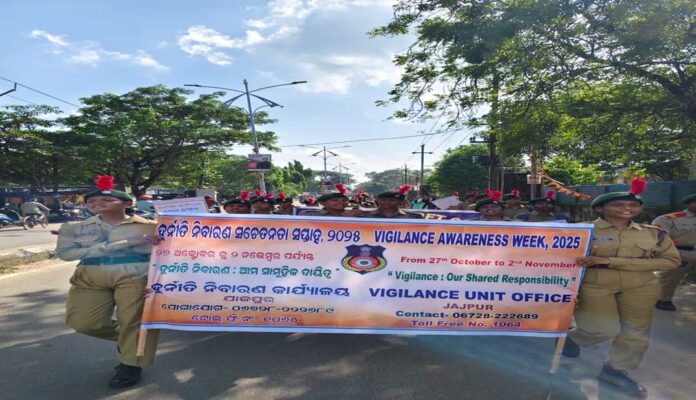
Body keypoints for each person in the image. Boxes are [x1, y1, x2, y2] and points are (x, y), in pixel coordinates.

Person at [561, 178, 680, 398]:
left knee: (636, 332)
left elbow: (671, 261)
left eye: (633, 205)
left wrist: (610, 261)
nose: (627, 208)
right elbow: (558, 258)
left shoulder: (654, 233)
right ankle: (572, 338)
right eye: (618, 204)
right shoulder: (581, 231)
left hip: (640, 285)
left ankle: (615, 371)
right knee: (601, 329)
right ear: (600, 208)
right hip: (595, 284)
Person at [55, 175, 162, 389]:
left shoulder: (153, 227)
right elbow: (66, 253)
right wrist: (125, 243)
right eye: (91, 201)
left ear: (127, 203)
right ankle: (128, 340)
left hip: (135, 276)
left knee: (133, 321)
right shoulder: (73, 228)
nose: (97, 203)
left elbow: (174, 251)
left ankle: (131, 364)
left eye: (106, 200)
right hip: (90, 277)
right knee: (83, 323)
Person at [652, 193, 696, 311]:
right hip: (679, 252)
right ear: (687, 204)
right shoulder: (669, 218)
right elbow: (660, 238)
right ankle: (663, 299)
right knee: (670, 277)